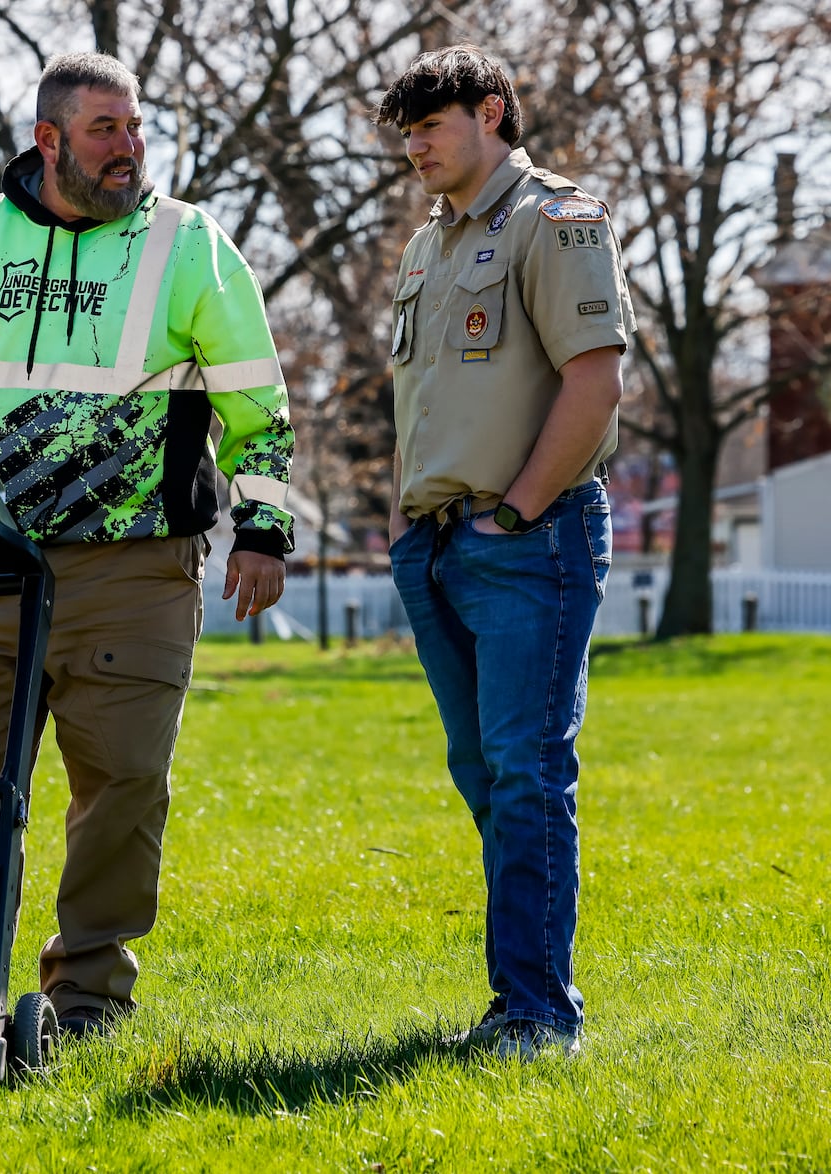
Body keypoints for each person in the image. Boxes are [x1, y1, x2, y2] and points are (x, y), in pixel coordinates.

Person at [0, 52, 295, 1038]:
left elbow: (256, 406)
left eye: (136, 126)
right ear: (48, 140)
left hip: (135, 564)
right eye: (104, 129)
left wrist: (263, 526)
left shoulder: (190, 242)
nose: (129, 147)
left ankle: (89, 999)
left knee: (121, 786)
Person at [373, 45, 635, 1060]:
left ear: (490, 114)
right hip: (435, 546)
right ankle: (515, 997)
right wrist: (415, 526)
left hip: (530, 539)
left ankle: (538, 1014)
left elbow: (594, 380)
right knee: (486, 775)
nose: (414, 149)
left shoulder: (553, 221)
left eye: (430, 127)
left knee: (526, 772)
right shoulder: (425, 247)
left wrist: (519, 511)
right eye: (406, 134)